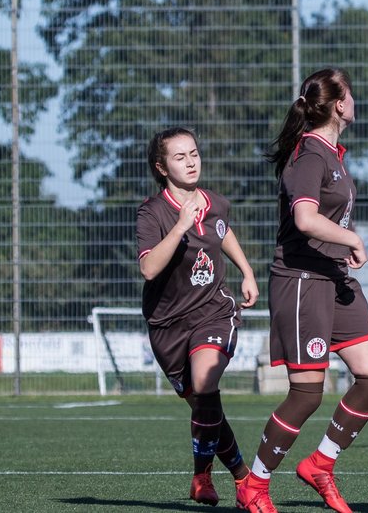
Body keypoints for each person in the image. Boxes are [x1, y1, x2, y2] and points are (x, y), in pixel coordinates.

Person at [236, 68, 368, 513]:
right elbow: (304, 219)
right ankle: (255, 484)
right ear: (339, 105)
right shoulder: (309, 155)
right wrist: (353, 239)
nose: (355, 100)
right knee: (306, 392)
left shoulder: (334, 155)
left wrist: (344, 242)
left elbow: (325, 221)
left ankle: (321, 463)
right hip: (301, 281)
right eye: (352, 94)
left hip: (333, 277)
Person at [136, 127, 260, 505]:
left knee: (206, 384)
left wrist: (247, 270)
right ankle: (242, 478)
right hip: (167, 326)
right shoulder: (152, 212)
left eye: (194, 153)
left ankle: (201, 476)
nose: (190, 162)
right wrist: (180, 227)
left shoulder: (216, 202)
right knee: (206, 409)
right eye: (179, 157)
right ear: (161, 167)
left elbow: (222, 232)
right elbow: (149, 269)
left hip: (213, 312)